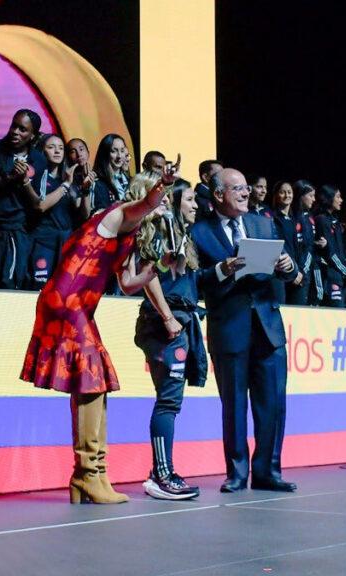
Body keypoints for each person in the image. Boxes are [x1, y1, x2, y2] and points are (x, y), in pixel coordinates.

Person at [20, 157, 181, 504]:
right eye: (162, 196)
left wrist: (160, 267)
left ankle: (88, 477)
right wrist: (162, 185)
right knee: (93, 377)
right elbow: (148, 202)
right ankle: (89, 474)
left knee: (93, 382)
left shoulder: (129, 234)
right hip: (66, 301)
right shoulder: (118, 214)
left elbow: (127, 284)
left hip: (77, 306)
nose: (165, 202)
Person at [189, 168, 298, 493]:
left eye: (246, 188)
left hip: (267, 327)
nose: (245, 194)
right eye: (237, 189)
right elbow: (193, 280)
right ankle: (236, 472)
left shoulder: (264, 223)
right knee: (234, 404)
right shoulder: (199, 233)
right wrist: (221, 270)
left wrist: (288, 268)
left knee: (273, 404)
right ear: (219, 194)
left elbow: (290, 271)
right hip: (229, 328)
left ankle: (268, 471)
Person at [132, 177, 206, 500]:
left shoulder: (183, 236)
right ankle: (162, 476)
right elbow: (149, 278)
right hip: (165, 325)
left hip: (181, 321)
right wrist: (168, 317)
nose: (195, 205)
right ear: (174, 202)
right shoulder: (161, 230)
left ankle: (161, 472)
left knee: (170, 400)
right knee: (168, 401)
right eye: (189, 199)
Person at [0, 109, 47, 289]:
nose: (15, 132)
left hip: (16, 230)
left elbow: (38, 203)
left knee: (8, 283)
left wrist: (24, 181)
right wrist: (8, 177)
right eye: (14, 126)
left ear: (33, 135)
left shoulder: (39, 160)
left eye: (22, 129)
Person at [22, 134, 83, 289]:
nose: (57, 151)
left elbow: (82, 212)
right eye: (51, 147)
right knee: (39, 289)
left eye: (61, 148)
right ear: (41, 150)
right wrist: (66, 185)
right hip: (42, 243)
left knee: (63, 291)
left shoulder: (69, 179)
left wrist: (85, 189)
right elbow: (41, 205)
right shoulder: (36, 177)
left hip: (65, 244)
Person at [312, 185, 346, 308]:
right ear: (330, 198)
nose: (341, 200)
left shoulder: (335, 222)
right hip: (329, 277)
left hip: (338, 275)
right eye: (338, 197)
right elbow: (329, 252)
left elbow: (341, 249)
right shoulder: (321, 220)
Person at [289, 180, 317, 305]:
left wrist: (301, 272)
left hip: (302, 276)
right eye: (311, 196)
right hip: (286, 274)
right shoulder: (288, 216)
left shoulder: (309, 219)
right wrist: (290, 271)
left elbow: (309, 249)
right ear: (300, 196)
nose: (314, 199)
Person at [92, 134, 130, 212]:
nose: (119, 156)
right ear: (105, 153)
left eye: (122, 151)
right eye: (114, 151)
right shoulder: (97, 183)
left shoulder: (130, 181)